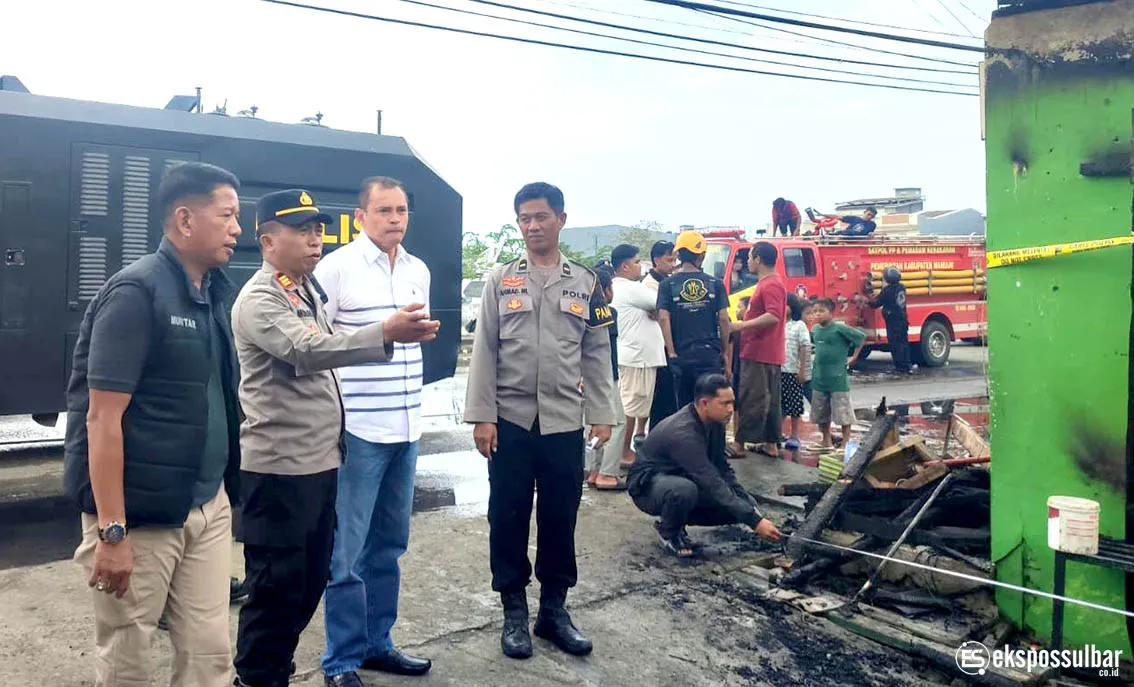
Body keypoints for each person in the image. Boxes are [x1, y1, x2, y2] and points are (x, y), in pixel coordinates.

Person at [231, 189, 439, 687]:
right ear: (266, 240)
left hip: (327, 455)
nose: (314, 240)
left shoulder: (301, 289)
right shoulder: (263, 297)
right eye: (301, 230)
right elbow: (307, 350)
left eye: (318, 229)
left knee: (309, 583)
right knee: (278, 588)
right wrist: (383, 332)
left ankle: (365, 645)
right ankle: (271, 675)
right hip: (282, 467)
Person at [64, 162, 244, 687]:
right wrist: (112, 531)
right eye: (227, 215)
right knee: (129, 657)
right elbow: (101, 418)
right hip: (141, 518)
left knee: (211, 652)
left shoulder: (214, 293)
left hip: (207, 507)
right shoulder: (135, 294)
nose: (237, 228)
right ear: (185, 220)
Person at [465, 182, 616, 660]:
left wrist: (603, 413)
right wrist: (481, 417)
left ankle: (553, 610)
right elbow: (484, 351)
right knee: (507, 515)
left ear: (561, 219)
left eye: (541, 217)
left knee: (560, 516)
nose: (533, 226)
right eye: (525, 219)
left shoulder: (586, 282)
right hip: (509, 421)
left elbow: (596, 351)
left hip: (563, 422)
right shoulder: (500, 280)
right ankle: (514, 612)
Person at [313, 177, 433, 684]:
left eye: (402, 210)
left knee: (389, 547)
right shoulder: (336, 268)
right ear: (360, 216)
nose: (395, 219)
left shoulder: (417, 269)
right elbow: (315, 344)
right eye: (384, 210)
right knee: (347, 553)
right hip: (359, 430)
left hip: (407, 426)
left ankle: (377, 643)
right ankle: (339, 660)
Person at [628, 374, 782, 558]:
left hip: (681, 477)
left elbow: (723, 470)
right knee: (684, 490)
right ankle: (669, 531)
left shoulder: (715, 423)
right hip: (649, 487)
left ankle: (679, 519)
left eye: (732, 403)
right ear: (704, 403)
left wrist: (752, 514)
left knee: (746, 505)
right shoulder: (683, 433)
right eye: (724, 403)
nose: (730, 409)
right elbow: (710, 480)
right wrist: (755, 522)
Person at [657, 230, 732, 412]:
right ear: (702, 255)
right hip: (709, 355)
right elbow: (723, 319)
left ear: (679, 254)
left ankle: (688, 441)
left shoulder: (667, 285)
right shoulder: (715, 284)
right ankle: (713, 441)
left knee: (685, 410)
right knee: (714, 407)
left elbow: (663, 318)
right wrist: (724, 352)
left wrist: (672, 353)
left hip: (681, 356)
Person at [610, 244, 665, 468]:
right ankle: (623, 453)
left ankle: (623, 451)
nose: (639, 266)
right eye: (635, 262)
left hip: (633, 356)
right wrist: (656, 310)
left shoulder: (621, 287)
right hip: (637, 358)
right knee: (629, 410)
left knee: (630, 407)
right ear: (624, 266)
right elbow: (663, 301)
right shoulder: (631, 288)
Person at [731, 242, 787, 458]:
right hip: (769, 350)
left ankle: (739, 444)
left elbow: (773, 316)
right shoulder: (772, 283)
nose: (747, 261)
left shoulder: (770, 284)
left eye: (750, 257)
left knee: (751, 397)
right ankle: (771, 444)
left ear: (759, 259)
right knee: (770, 399)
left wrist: (742, 325)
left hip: (758, 349)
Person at [585, 263, 627, 490]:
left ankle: (592, 470)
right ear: (605, 290)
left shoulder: (577, 308)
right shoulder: (609, 313)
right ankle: (607, 473)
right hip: (605, 376)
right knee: (616, 422)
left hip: (582, 376)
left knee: (591, 424)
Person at [809, 298, 866, 450]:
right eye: (815, 311)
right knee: (821, 413)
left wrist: (854, 356)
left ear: (831, 313)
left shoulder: (840, 329)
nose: (817, 314)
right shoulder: (815, 330)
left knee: (843, 413)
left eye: (821, 311)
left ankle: (845, 442)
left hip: (838, 379)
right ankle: (826, 441)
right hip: (819, 378)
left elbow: (861, 337)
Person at [643, 240, 679, 432]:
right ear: (656, 260)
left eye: (675, 259)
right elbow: (660, 313)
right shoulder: (649, 286)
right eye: (669, 259)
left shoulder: (668, 283)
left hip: (670, 346)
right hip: (659, 350)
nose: (673, 264)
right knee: (661, 400)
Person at [867, 267, 914, 374]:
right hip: (903, 319)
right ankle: (907, 365)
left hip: (893, 322)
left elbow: (876, 304)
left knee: (895, 344)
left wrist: (867, 301)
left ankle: (900, 368)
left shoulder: (887, 290)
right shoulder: (901, 287)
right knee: (903, 343)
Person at [781, 294, 812, 455]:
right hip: (777, 371)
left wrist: (802, 371)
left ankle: (794, 435)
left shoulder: (799, 325)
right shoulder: (776, 324)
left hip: (792, 371)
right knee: (779, 405)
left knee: (794, 405)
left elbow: (805, 347)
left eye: (785, 304)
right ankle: (777, 434)